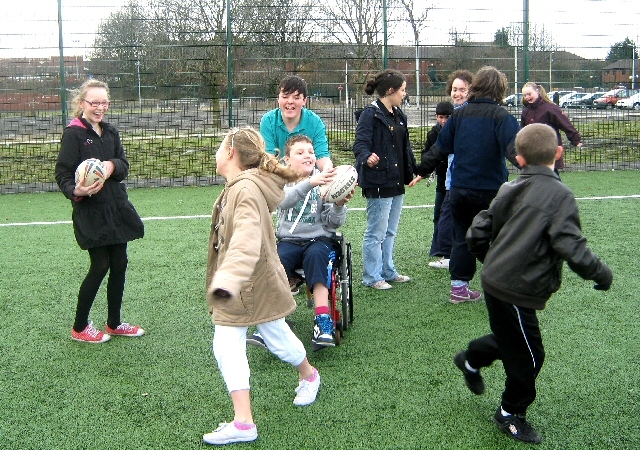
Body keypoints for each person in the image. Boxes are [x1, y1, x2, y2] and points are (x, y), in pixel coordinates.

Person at [456, 123, 613, 444]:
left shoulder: (508, 188)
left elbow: (476, 234)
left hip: (498, 281)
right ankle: (510, 412)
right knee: (530, 357)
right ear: (558, 153)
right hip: (514, 288)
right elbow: (571, 245)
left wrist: (494, 260)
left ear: (519, 158)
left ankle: (471, 359)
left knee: (512, 340)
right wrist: (601, 273)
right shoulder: (560, 195)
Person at [204, 127, 321, 446]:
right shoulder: (244, 185)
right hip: (254, 282)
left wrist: (228, 278)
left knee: (227, 344)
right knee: (276, 334)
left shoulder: (245, 189)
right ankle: (309, 375)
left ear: (230, 153)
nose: (216, 153)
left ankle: (244, 423)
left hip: (244, 284)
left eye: (219, 147)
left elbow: (245, 240)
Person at [415, 66, 520, 303]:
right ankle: (501, 286)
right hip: (490, 190)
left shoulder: (458, 116)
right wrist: (535, 172)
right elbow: (515, 150)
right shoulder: (502, 117)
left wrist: (421, 170)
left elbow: (439, 149)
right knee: (497, 238)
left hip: (460, 190)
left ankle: (459, 289)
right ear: (499, 90)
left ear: (475, 88)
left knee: (461, 236)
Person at [55, 79, 145, 344]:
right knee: (100, 264)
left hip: (116, 207)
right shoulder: (73, 134)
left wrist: (111, 166)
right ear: (82, 103)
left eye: (104, 102)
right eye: (94, 103)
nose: (100, 108)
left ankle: (114, 323)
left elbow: (123, 165)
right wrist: (77, 191)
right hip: (92, 211)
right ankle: (80, 327)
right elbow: (62, 173)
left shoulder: (111, 132)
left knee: (120, 262)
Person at [275, 135, 353, 349]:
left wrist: (338, 204)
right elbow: (283, 202)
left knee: (318, 256)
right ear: (287, 160)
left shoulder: (327, 181)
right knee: (275, 262)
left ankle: (323, 320)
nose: (307, 155)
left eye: (310, 151)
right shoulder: (282, 181)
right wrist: (309, 184)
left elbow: (333, 223)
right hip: (289, 240)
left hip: (318, 239)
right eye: (300, 153)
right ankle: (274, 322)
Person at [353, 69, 416, 290]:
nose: (404, 94)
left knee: (390, 231)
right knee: (376, 232)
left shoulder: (399, 114)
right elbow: (360, 144)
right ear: (390, 90)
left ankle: (388, 270)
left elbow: (404, 147)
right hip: (378, 181)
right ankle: (372, 276)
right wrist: (366, 157)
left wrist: (412, 171)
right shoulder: (370, 114)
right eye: (402, 90)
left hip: (396, 180)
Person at [409, 101, 453, 265]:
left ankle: (453, 250)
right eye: (441, 117)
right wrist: (422, 172)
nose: (444, 121)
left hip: (454, 179)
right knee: (438, 214)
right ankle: (439, 249)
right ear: (436, 117)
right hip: (442, 179)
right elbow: (428, 153)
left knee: (453, 215)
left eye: (447, 117)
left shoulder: (456, 131)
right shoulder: (433, 133)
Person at [260, 75, 333, 171]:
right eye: (285, 96)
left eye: (296, 97)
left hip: (309, 179)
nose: (290, 101)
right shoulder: (268, 121)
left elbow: (322, 158)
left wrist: (330, 172)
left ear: (304, 101)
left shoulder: (316, 122)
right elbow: (269, 158)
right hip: (277, 176)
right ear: (278, 99)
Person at [521, 82, 583, 176]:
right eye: (525, 95)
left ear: (537, 91)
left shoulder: (550, 108)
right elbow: (522, 131)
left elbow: (565, 124)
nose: (527, 97)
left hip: (549, 149)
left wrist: (575, 139)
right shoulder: (526, 111)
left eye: (529, 94)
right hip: (533, 151)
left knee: (551, 176)